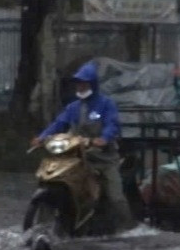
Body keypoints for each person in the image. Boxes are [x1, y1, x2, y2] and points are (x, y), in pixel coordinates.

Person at [32, 61, 134, 232]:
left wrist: (104, 138)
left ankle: (127, 228)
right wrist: (42, 138)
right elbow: (59, 124)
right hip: (77, 156)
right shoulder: (73, 107)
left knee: (115, 195)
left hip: (103, 158)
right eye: (78, 83)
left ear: (92, 84)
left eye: (83, 83)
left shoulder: (106, 104)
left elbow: (112, 124)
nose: (79, 86)